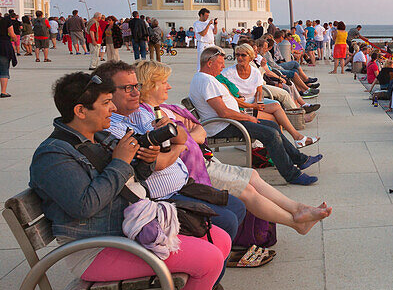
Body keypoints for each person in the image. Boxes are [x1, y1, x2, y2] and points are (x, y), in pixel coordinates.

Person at [31, 71, 228, 290]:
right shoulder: (54, 155)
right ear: (80, 111)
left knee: (219, 238)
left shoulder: (98, 137)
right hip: (96, 248)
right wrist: (121, 162)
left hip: (126, 231)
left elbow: (129, 181)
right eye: (107, 103)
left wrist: (144, 162)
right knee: (209, 258)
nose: (113, 109)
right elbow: (84, 206)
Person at [136, 60, 331, 235]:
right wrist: (191, 135)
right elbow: (198, 131)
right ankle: (296, 218)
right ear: (150, 85)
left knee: (255, 167)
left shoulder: (167, 109)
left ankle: (298, 206)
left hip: (206, 150)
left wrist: (190, 135)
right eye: (164, 82)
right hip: (212, 141)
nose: (169, 86)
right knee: (249, 186)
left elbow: (198, 132)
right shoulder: (154, 116)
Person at [94, 61, 247, 242]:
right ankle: (207, 258)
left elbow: (180, 136)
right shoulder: (112, 128)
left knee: (237, 206)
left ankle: (217, 252)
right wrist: (178, 146)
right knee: (227, 220)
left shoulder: (141, 113)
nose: (136, 92)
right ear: (107, 94)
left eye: (137, 86)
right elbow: (157, 162)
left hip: (184, 186)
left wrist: (176, 136)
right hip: (161, 199)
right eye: (128, 88)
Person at [189, 47, 320, 185]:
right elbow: (224, 112)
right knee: (270, 134)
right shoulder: (207, 82)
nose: (223, 66)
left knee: (273, 125)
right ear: (209, 63)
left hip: (228, 122)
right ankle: (292, 175)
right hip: (223, 125)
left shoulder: (203, 78)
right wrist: (247, 117)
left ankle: (300, 159)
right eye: (220, 63)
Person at [222, 43, 317, 147]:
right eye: (237, 55)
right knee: (275, 119)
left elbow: (259, 92)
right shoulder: (228, 73)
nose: (239, 57)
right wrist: (253, 106)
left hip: (253, 102)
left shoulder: (255, 72)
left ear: (250, 57)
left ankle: (295, 139)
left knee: (276, 105)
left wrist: (258, 103)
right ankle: (289, 142)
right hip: (240, 105)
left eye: (243, 55)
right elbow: (227, 96)